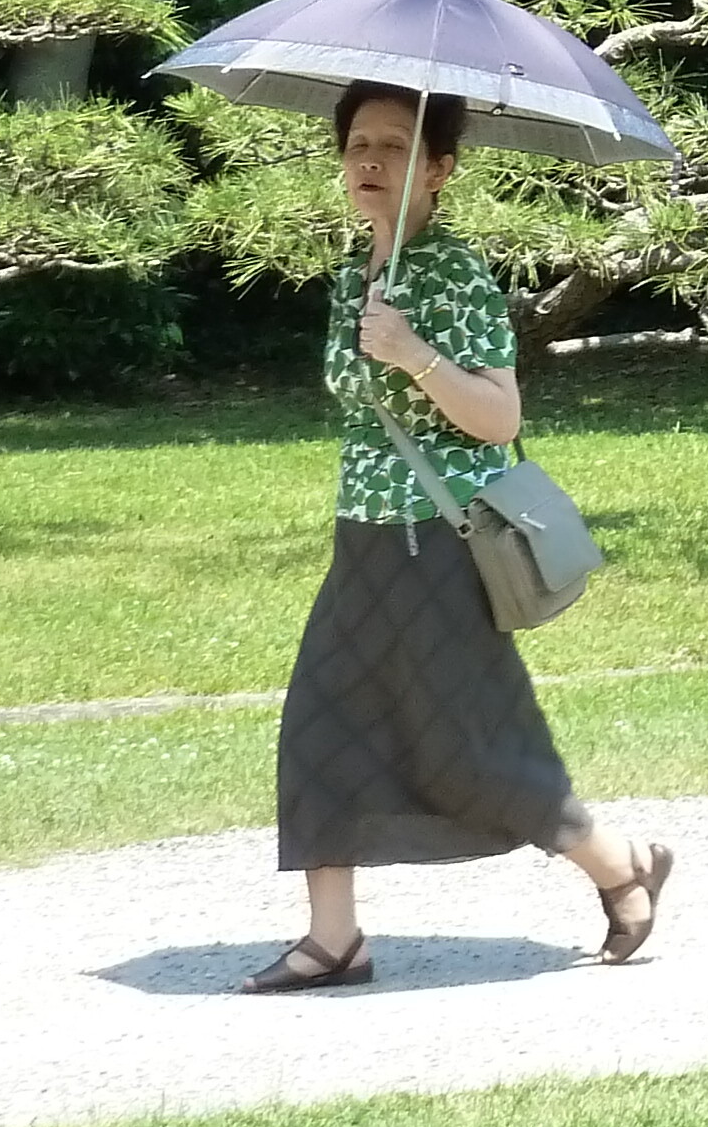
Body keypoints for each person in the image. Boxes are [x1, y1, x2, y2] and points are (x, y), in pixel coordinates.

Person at [239, 82, 673, 992]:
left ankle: (618, 862)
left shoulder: (452, 274)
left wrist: (414, 356)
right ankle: (334, 939)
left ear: (439, 169)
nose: (368, 161)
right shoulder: (354, 273)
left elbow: (498, 415)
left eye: (395, 148)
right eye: (358, 144)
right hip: (366, 538)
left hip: (440, 543)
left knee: (466, 743)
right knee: (324, 723)